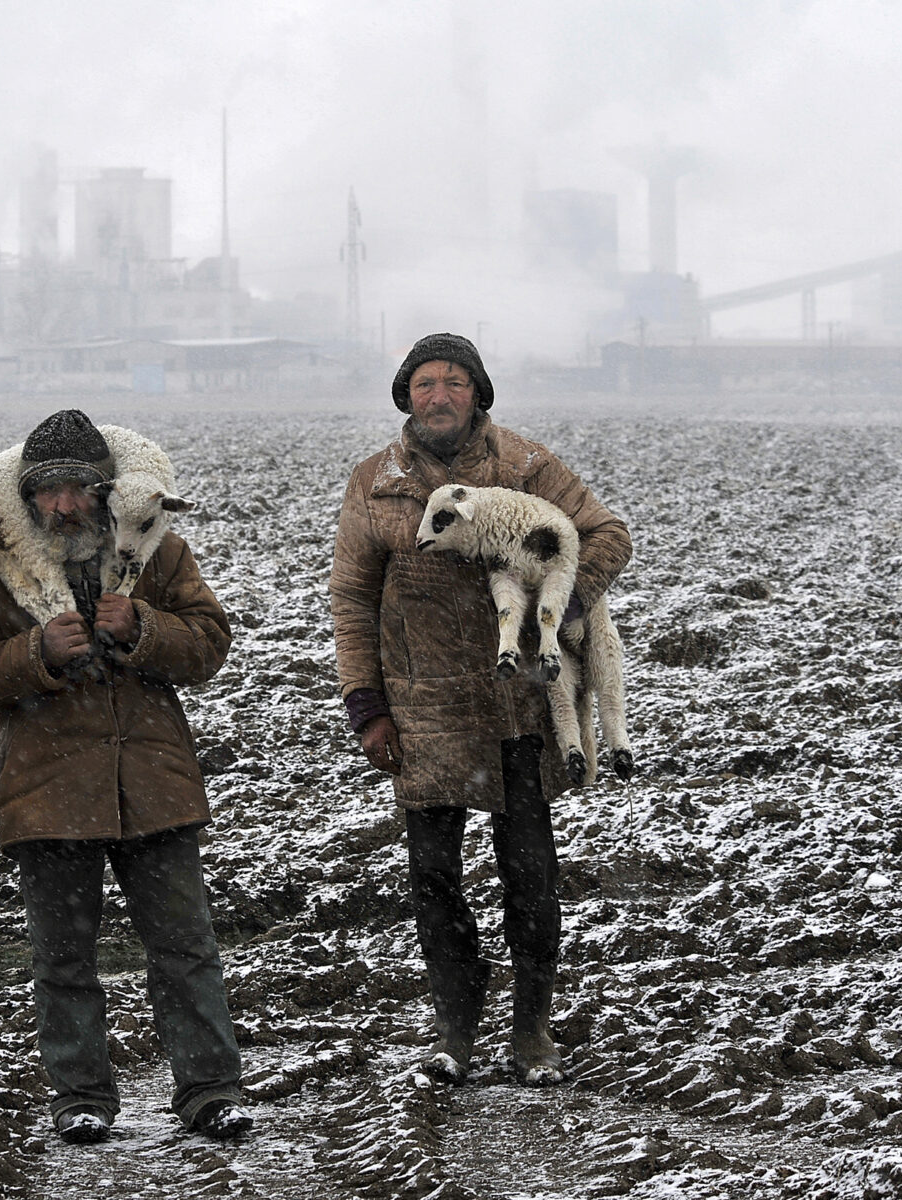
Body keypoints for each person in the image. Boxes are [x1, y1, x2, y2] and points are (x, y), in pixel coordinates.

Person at [0, 409, 251, 1144]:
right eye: (47, 491)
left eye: (78, 488)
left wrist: (142, 627)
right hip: (46, 791)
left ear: (105, 490)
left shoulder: (159, 555)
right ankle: (80, 1098)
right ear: (27, 496)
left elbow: (208, 646)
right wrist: (34, 653)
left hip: (155, 783)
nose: (64, 505)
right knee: (64, 960)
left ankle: (210, 1091)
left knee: (185, 949)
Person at [329, 333, 632, 1087]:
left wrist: (569, 605)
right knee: (434, 879)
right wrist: (367, 707)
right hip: (424, 712)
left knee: (531, 875)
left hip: (520, 709)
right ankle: (453, 1031)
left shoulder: (525, 467)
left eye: (455, 382)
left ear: (478, 393)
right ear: (406, 395)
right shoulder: (377, 483)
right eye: (425, 383)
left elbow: (608, 535)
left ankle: (531, 1032)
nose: (439, 395)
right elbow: (352, 598)